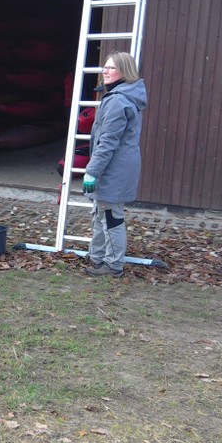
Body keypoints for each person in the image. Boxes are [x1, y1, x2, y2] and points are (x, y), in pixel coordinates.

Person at [82, 51, 148, 278]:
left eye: (111, 68)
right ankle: (98, 257)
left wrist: (92, 171)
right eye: (105, 67)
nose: (105, 71)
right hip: (114, 167)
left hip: (114, 169)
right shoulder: (120, 96)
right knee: (101, 213)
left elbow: (108, 142)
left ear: (124, 72)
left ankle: (113, 265)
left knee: (111, 217)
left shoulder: (118, 101)